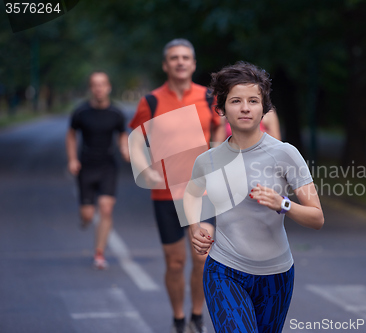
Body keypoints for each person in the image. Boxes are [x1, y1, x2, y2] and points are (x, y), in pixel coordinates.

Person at [184, 62, 324, 333]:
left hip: (277, 275)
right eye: (236, 101)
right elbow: (190, 195)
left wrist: (282, 204)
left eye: (253, 101)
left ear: (264, 108)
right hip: (224, 270)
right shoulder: (208, 160)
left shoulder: (285, 154)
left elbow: (317, 218)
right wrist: (194, 225)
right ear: (222, 108)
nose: (245, 108)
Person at [128, 38, 225, 333]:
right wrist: (143, 166)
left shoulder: (210, 98)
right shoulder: (152, 101)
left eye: (185, 57)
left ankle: (197, 315)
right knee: (174, 263)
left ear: (193, 64)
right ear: (165, 65)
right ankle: (178, 319)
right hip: (166, 195)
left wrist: (217, 148)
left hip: (202, 193)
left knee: (202, 259)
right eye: (174, 57)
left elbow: (221, 125)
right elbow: (133, 136)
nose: (180, 62)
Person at [66, 71, 129, 270]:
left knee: (106, 208)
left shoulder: (116, 113)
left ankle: (99, 253)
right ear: (91, 88)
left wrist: (125, 149)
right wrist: (72, 159)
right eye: (95, 84)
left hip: (108, 165)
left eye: (102, 84)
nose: (99, 88)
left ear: (108, 87)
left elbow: (122, 134)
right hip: (86, 166)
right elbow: (71, 135)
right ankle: (84, 217)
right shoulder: (81, 112)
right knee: (87, 215)